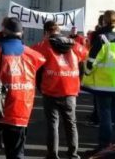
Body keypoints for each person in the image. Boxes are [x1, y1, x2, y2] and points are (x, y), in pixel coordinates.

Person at [0, 17, 45, 158]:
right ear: (21, 33)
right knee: (16, 153)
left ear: (4, 32)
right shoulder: (32, 55)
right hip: (21, 110)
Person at [82, 10, 115, 149]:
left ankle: (105, 144)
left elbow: (91, 61)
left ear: (104, 21)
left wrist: (87, 72)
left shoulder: (102, 38)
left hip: (103, 84)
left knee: (105, 115)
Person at [33, 21, 80, 159]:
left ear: (46, 32)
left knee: (53, 124)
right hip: (70, 89)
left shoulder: (43, 46)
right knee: (71, 123)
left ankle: (53, 155)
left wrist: (39, 85)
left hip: (50, 89)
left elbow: (33, 63)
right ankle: (73, 154)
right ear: (59, 30)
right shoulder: (74, 45)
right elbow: (85, 59)